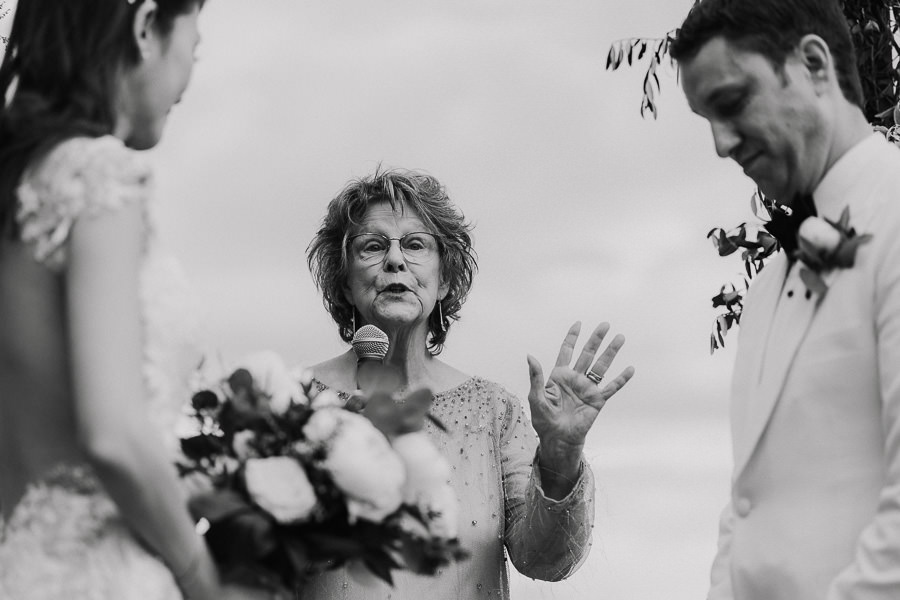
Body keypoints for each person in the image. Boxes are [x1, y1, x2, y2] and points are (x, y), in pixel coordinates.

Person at [0, 1, 245, 598]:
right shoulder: (99, 176)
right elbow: (113, 433)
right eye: (195, 43)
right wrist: (199, 574)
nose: (188, 78)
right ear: (145, 27)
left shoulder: (16, 188)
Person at [303, 168, 634, 600]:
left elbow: (546, 559)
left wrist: (561, 453)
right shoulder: (294, 402)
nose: (395, 260)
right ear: (345, 282)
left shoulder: (493, 411)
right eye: (373, 245)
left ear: (443, 280)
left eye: (416, 244)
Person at [672, 0, 900, 598]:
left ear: (814, 64)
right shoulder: (771, 280)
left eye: (731, 102)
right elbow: (746, 510)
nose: (720, 143)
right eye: (705, 120)